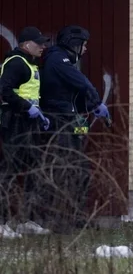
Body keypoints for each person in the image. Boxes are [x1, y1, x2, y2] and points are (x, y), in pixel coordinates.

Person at [39, 25, 110, 233]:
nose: (85, 49)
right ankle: (59, 219)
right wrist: (97, 102)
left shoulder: (64, 61)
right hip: (60, 123)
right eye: (84, 45)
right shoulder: (57, 59)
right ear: (73, 43)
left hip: (68, 120)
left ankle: (76, 216)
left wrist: (90, 108)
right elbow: (82, 83)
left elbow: (70, 95)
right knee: (65, 170)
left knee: (79, 171)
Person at [0, 26, 51, 237]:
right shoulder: (16, 63)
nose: (43, 46)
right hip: (15, 124)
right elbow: (3, 90)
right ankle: (2, 224)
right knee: (8, 173)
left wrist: (38, 113)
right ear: (25, 45)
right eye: (38, 43)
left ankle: (27, 220)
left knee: (33, 172)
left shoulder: (31, 64)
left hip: (29, 124)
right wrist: (26, 107)